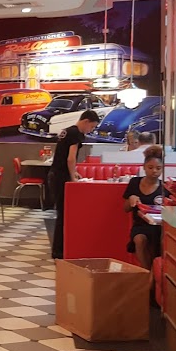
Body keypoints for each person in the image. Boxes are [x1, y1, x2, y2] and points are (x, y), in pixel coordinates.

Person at [47, 110, 101, 259]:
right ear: (86, 121)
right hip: (61, 177)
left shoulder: (66, 131)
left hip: (54, 174)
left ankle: (59, 249)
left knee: (61, 213)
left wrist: (74, 172)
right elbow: (70, 158)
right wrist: (73, 178)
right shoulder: (76, 134)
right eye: (92, 127)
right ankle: (58, 251)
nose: (90, 130)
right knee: (63, 214)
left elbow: (62, 156)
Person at [123, 145, 169, 269]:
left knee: (160, 242)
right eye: (150, 167)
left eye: (158, 168)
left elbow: (170, 210)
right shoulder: (135, 183)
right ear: (144, 167)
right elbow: (125, 209)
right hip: (140, 225)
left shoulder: (165, 187)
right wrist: (131, 198)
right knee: (140, 240)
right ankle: (148, 271)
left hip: (158, 227)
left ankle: (154, 273)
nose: (154, 171)